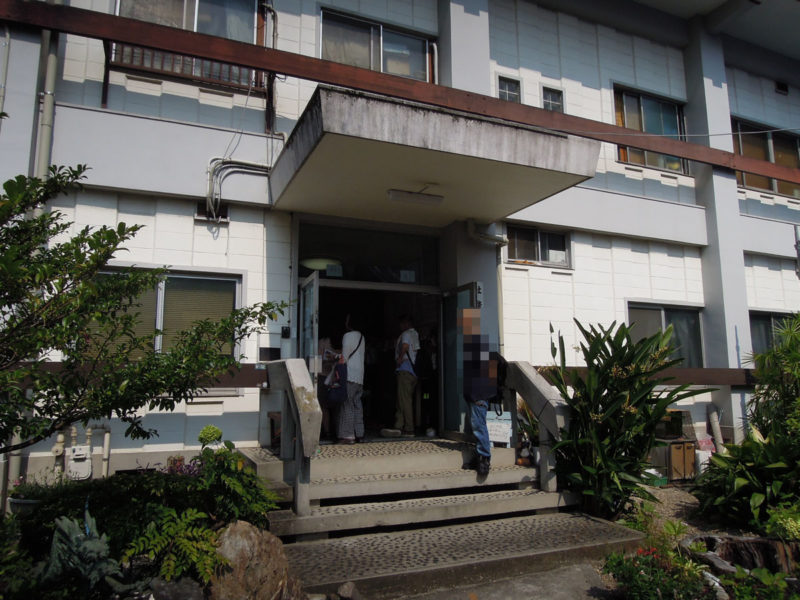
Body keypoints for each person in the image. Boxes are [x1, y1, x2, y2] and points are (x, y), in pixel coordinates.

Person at [460, 308, 497, 476]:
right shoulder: (475, 345)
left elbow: (484, 374)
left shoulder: (479, 346)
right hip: (475, 395)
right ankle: (479, 458)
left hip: (478, 395)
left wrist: (478, 397)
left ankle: (484, 460)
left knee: (479, 427)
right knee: (476, 427)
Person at [382, 314, 419, 437]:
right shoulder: (415, 334)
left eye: (401, 323)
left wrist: (399, 358)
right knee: (402, 399)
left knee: (405, 400)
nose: (400, 326)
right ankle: (399, 425)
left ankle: (409, 428)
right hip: (412, 371)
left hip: (405, 370)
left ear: (406, 323)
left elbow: (405, 346)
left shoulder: (406, 334)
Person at [337, 314, 365, 444]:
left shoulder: (348, 336)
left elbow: (344, 357)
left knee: (347, 404)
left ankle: (348, 435)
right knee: (357, 404)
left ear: (350, 323)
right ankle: (359, 433)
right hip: (360, 375)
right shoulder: (362, 337)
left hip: (350, 374)